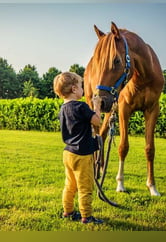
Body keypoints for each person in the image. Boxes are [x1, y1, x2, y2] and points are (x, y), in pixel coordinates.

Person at [53, 71, 103, 224]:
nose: (83, 89)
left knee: (70, 185)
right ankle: (86, 217)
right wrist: (97, 106)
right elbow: (97, 121)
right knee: (85, 187)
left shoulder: (63, 109)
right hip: (82, 154)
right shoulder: (81, 107)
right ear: (74, 89)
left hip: (68, 153)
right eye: (81, 86)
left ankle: (68, 212)